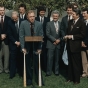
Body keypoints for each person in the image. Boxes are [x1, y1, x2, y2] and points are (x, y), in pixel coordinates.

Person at [19, 10, 43, 86]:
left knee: (37, 63)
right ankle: (29, 79)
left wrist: (40, 48)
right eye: (30, 17)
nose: (32, 18)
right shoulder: (23, 23)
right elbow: (21, 36)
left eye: (33, 16)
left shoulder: (39, 24)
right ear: (27, 17)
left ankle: (39, 79)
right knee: (28, 64)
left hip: (36, 46)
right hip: (27, 46)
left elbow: (41, 36)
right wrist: (23, 47)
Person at [64, 9, 86, 84]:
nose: (72, 15)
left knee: (76, 63)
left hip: (76, 46)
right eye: (72, 14)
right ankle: (70, 78)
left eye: (73, 14)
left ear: (78, 15)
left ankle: (76, 80)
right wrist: (66, 36)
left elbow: (82, 35)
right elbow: (68, 31)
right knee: (70, 63)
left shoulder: (81, 23)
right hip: (69, 45)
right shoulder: (70, 22)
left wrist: (72, 36)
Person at [46, 10, 65, 76]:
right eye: (54, 16)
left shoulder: (61, 24)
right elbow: (47, 34)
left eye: (56, 16)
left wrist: (59, 40)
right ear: (52, 16)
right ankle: (48, 72)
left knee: (57, 59)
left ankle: (56, 71)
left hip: (58, 44)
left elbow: (62, 34)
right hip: (50, 44)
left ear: (58, 16)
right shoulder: (48, 23)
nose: (55, 17)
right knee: (49, 59)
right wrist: (54, 40)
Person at [8, 11, 23, 78]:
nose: (14, 20)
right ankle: (12, 74)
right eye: (13, 19)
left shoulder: (23, 21)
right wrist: (16, 42)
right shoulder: (9, 22)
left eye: (15, 19)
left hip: (21, 44)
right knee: (12, 59)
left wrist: (20, 42)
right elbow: (9, 35)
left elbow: (24, 33)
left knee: (21, 59)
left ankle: (21, 73)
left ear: (18, 16)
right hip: (13, 44)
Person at [35, 6, 50, 72]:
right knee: (37, 53)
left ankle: (45, 67)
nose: (42, 13)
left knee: (44, 54)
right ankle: (38, 67)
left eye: (44, 12)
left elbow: (48, 29)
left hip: (45, 39)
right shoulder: (36, 19)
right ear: (39, 12)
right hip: (37, 39)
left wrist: (44, 37)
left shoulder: (47, 19)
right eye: (41, 12)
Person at [0, 5, 11, 74]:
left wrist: (5, 35)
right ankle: (0, 69)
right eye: (0, 10)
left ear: (5, 10)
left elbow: (9, 29)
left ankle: (6, 69)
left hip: (6, 40)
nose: (2, 11)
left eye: (3, 10)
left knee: (7, 56)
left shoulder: (8, 19)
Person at [81, 8, 88, 77]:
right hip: (82, 44)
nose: (83, 15)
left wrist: (85, 42)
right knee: (84, 60)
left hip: (87, 43)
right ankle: (85, 72)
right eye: (82, 14)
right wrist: (81, 42)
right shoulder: (82, 22)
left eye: (84, 13)